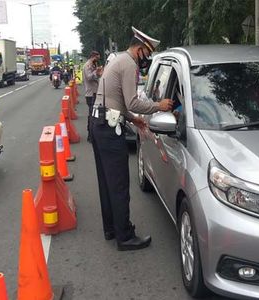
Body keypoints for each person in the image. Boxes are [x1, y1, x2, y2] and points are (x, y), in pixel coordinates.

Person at [91, 26, 173, 251]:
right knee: (118, 184)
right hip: (109, 128)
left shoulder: (117, 61)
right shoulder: (128, 64)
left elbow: (116, 101)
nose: (147, 59)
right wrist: (159, 105)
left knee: (107, 182)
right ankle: (125, 236)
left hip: (99, 123)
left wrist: (134, 120)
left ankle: (112, 228)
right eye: (147, 53)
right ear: (139, 49)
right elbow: (132, 101)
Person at [83, 50, 103, 142]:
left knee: (93, 114)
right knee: (92, 115)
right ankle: (91, 136)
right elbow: (89, 77)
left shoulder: (92, 65)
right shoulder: (88, 65)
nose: (97, 60)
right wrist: (97, 73)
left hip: (94, 92)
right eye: (96, 58)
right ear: (93, 57)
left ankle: (92, 135)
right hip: (90, 94)